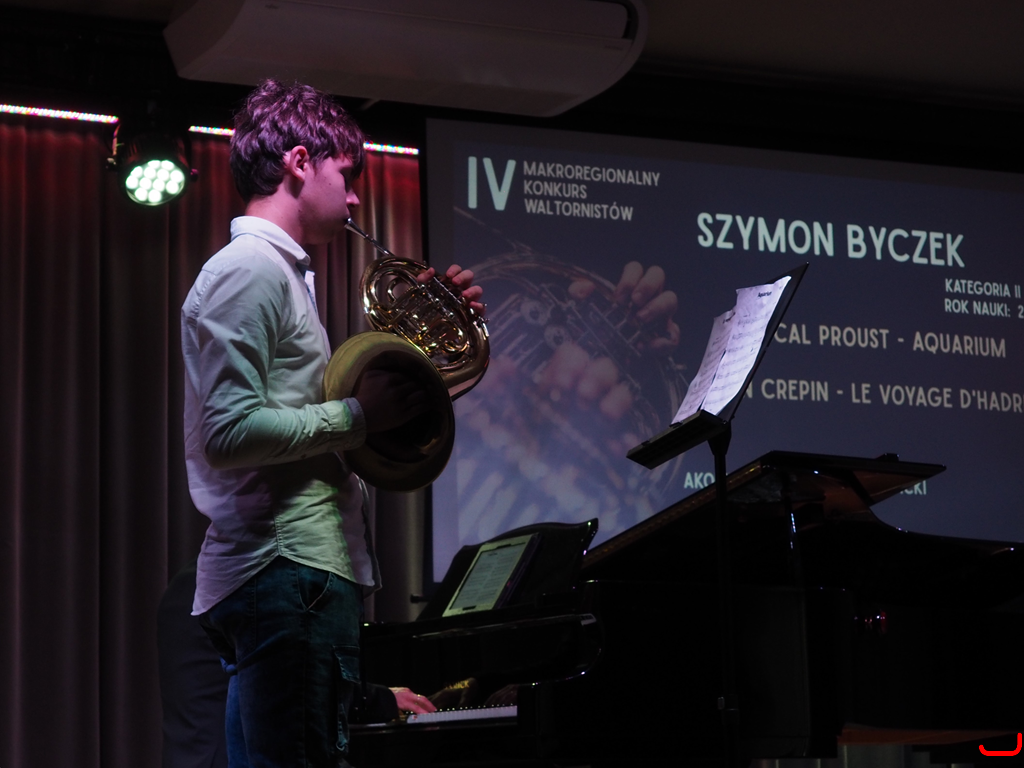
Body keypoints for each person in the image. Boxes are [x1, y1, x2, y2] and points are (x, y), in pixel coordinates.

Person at [180, 79, 479, 767]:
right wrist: (359, 414)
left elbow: (321, 423)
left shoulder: (277, 274)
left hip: (290, 573)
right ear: (299, 162)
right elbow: (229, 435)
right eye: (347, 176)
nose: (355, 200)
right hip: (287, 568)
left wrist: (427, 356)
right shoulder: (251, 270)